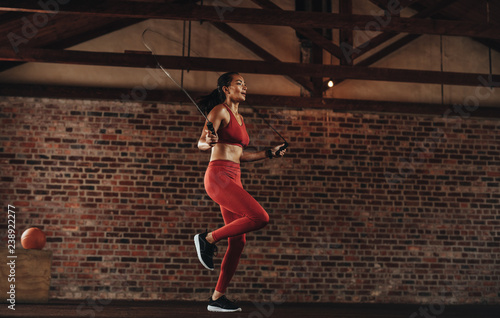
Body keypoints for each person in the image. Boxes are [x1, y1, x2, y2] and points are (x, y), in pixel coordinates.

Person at [194, 72, 287, 312]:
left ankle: (217, 298)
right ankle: (207, 238)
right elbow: (201, 143)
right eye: (239, 83)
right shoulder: (219, 111)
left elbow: (239, 155)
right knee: (260, 217)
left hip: (234, 178)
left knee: (238, 241)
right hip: (218, 176)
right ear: (225, 88)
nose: (244, 87)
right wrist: (209, 142)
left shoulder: (240, 117)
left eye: (245, 84)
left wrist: (269, 153)